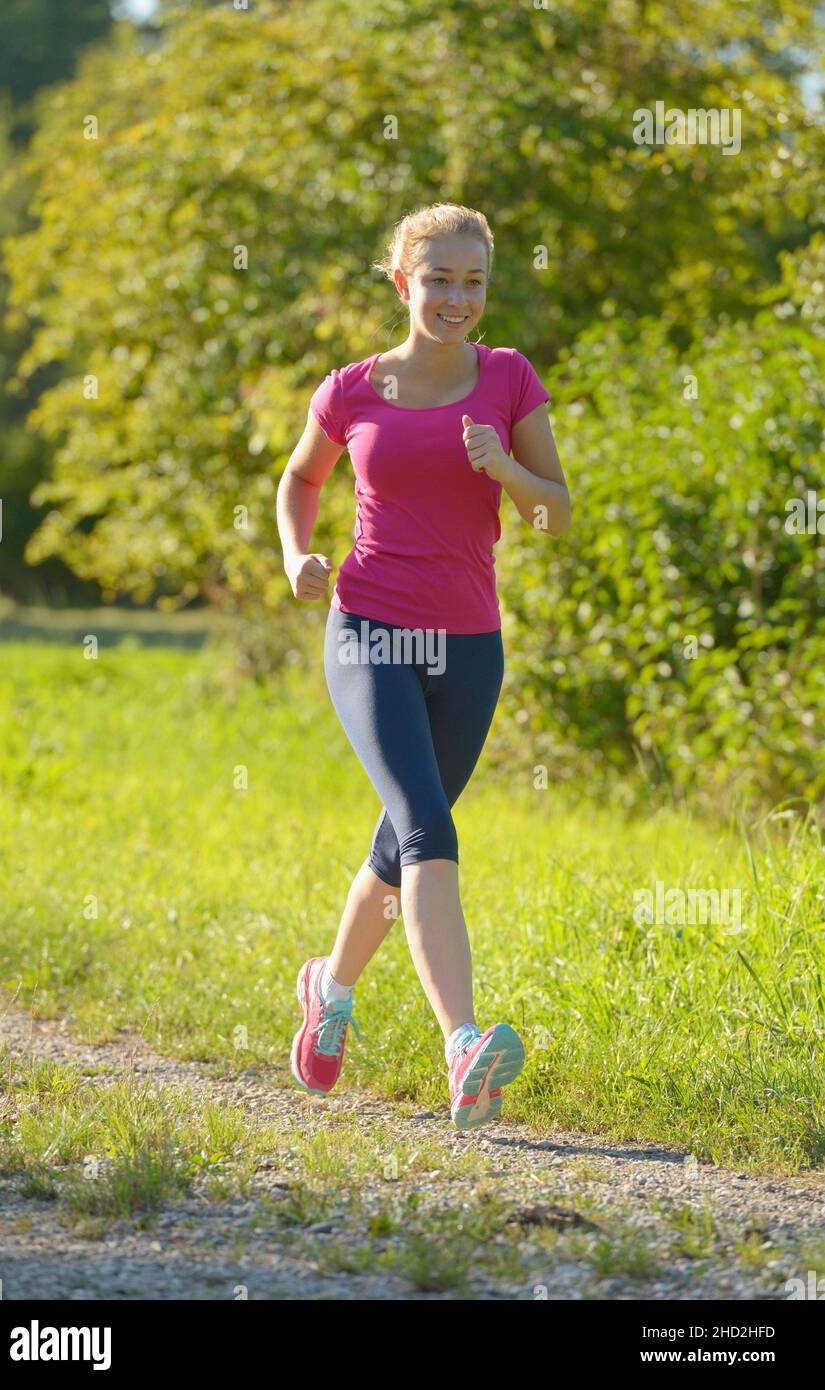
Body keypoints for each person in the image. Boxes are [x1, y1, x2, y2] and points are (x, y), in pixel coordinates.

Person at [276, 202, 570, 1128]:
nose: (455, 296)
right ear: (403, 282)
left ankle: (327, 988)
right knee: (426, 829)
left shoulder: (510, 380)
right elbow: (300, 478)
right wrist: (295, 555)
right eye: (437, 278)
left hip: (468, 643)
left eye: (472, 280)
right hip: (369, 629)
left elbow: (555, 511)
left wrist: (505, 472)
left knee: (398, 844)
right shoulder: (353, 389)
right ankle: (464, 1045)